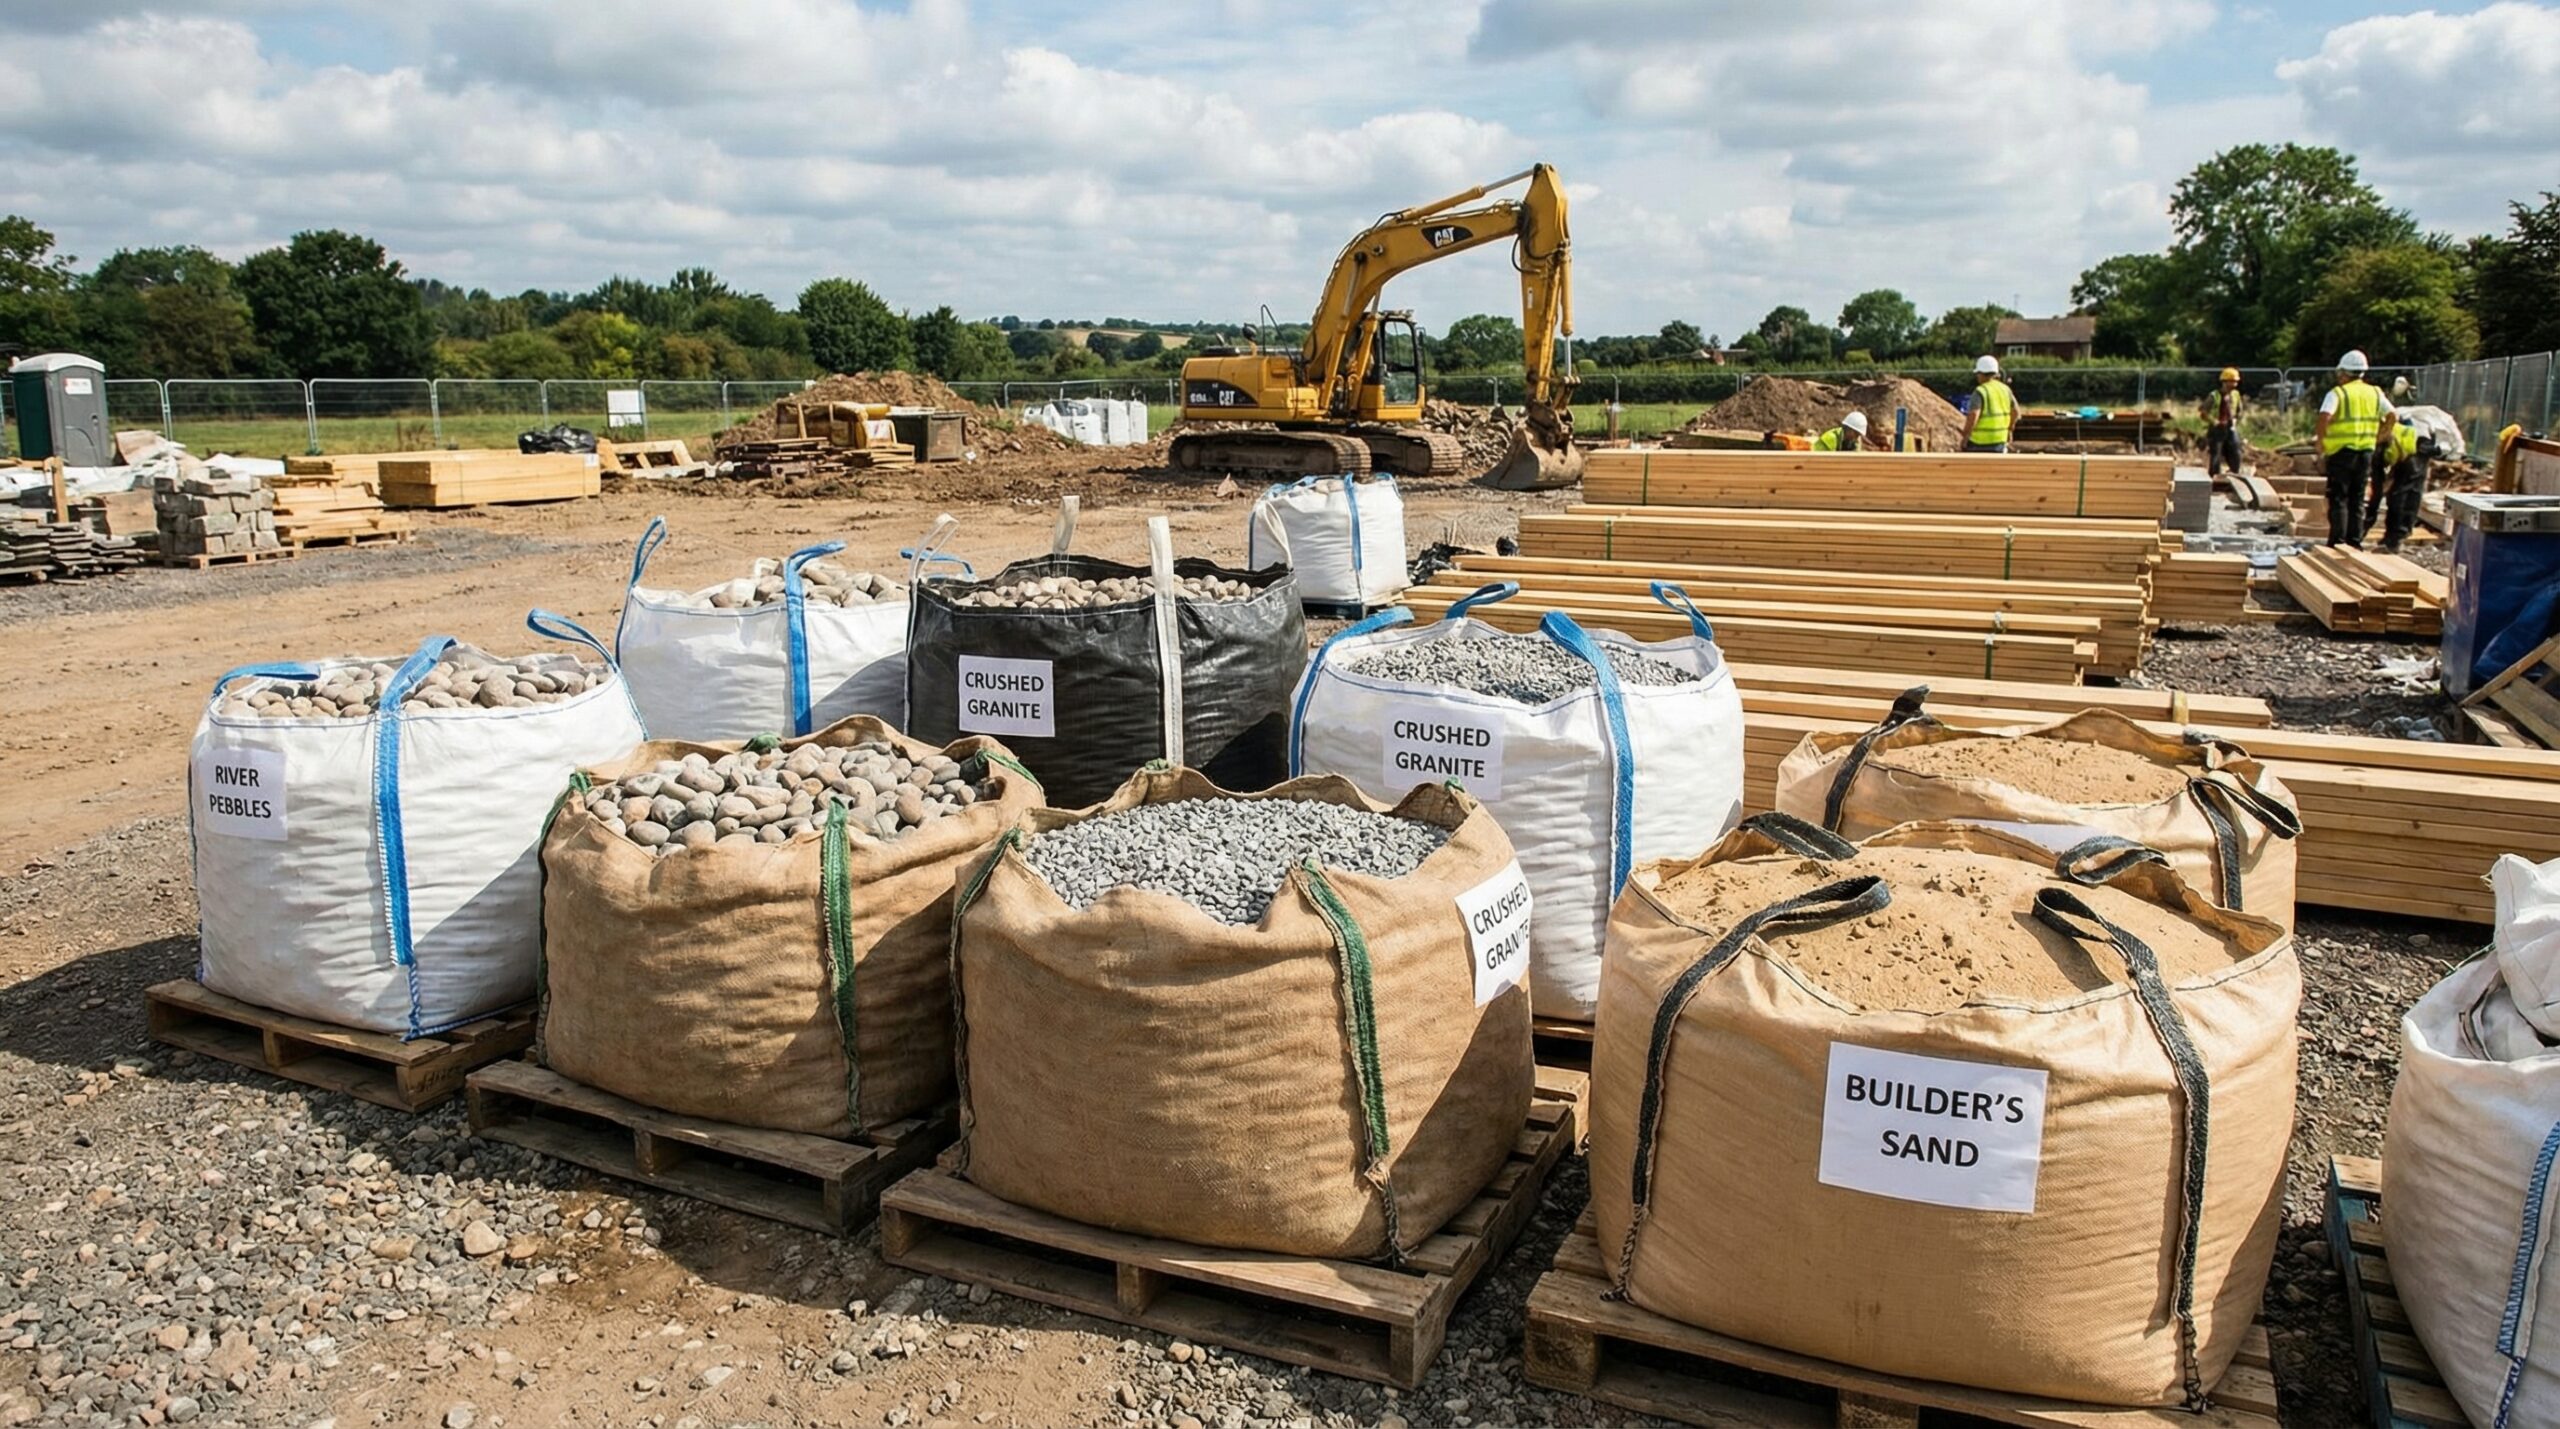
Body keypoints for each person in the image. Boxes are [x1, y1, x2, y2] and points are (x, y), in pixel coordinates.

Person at [2313, 349, 2394, 549]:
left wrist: (2321, 442)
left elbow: (2325, 416)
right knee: (2357, 498)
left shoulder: (2338, 393)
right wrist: (2381, 435)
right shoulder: (2375, 393)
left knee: (2339, 497)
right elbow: (2392, 415)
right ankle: (2354, 541)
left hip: (2341, 452)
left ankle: (2337, 541)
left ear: (2343, 373)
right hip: (2366, 451)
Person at [2363, 419, 2437, 553]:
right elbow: (2378, 489)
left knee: (2402, 495)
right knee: (2400, 493)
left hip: (2418, 447)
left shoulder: (2376, 450)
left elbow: (2377, 491)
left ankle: (2395, 538)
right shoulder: (2377, 445)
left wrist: (2367, 523)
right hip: (2414, 444)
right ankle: (2393, 537)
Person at [1959, 355, 2015, 452]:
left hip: (1978, 443)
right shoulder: (2006, 389)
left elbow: (1973, 415)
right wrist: (2009, 429)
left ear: (1981, 374)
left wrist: (1965, 436)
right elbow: (2016, 412)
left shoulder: (1980, 391)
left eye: (1978, 374)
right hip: (2000, 441)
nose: (1977, 376)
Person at [2204, 367, 2245, 479]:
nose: (2234, 384)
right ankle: (2214, 478)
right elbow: (2203, 412)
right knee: (2216, 455)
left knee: (2236, 452)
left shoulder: (2236, 395)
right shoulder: (2214, 395)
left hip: (2230, 428)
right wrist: (2214, 421)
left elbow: (2239, 411)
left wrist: (2236, 419)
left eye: (2236, 381)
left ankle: (2234, 476)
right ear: (2224, 381)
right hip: (2217, 429)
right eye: (2232, 381)